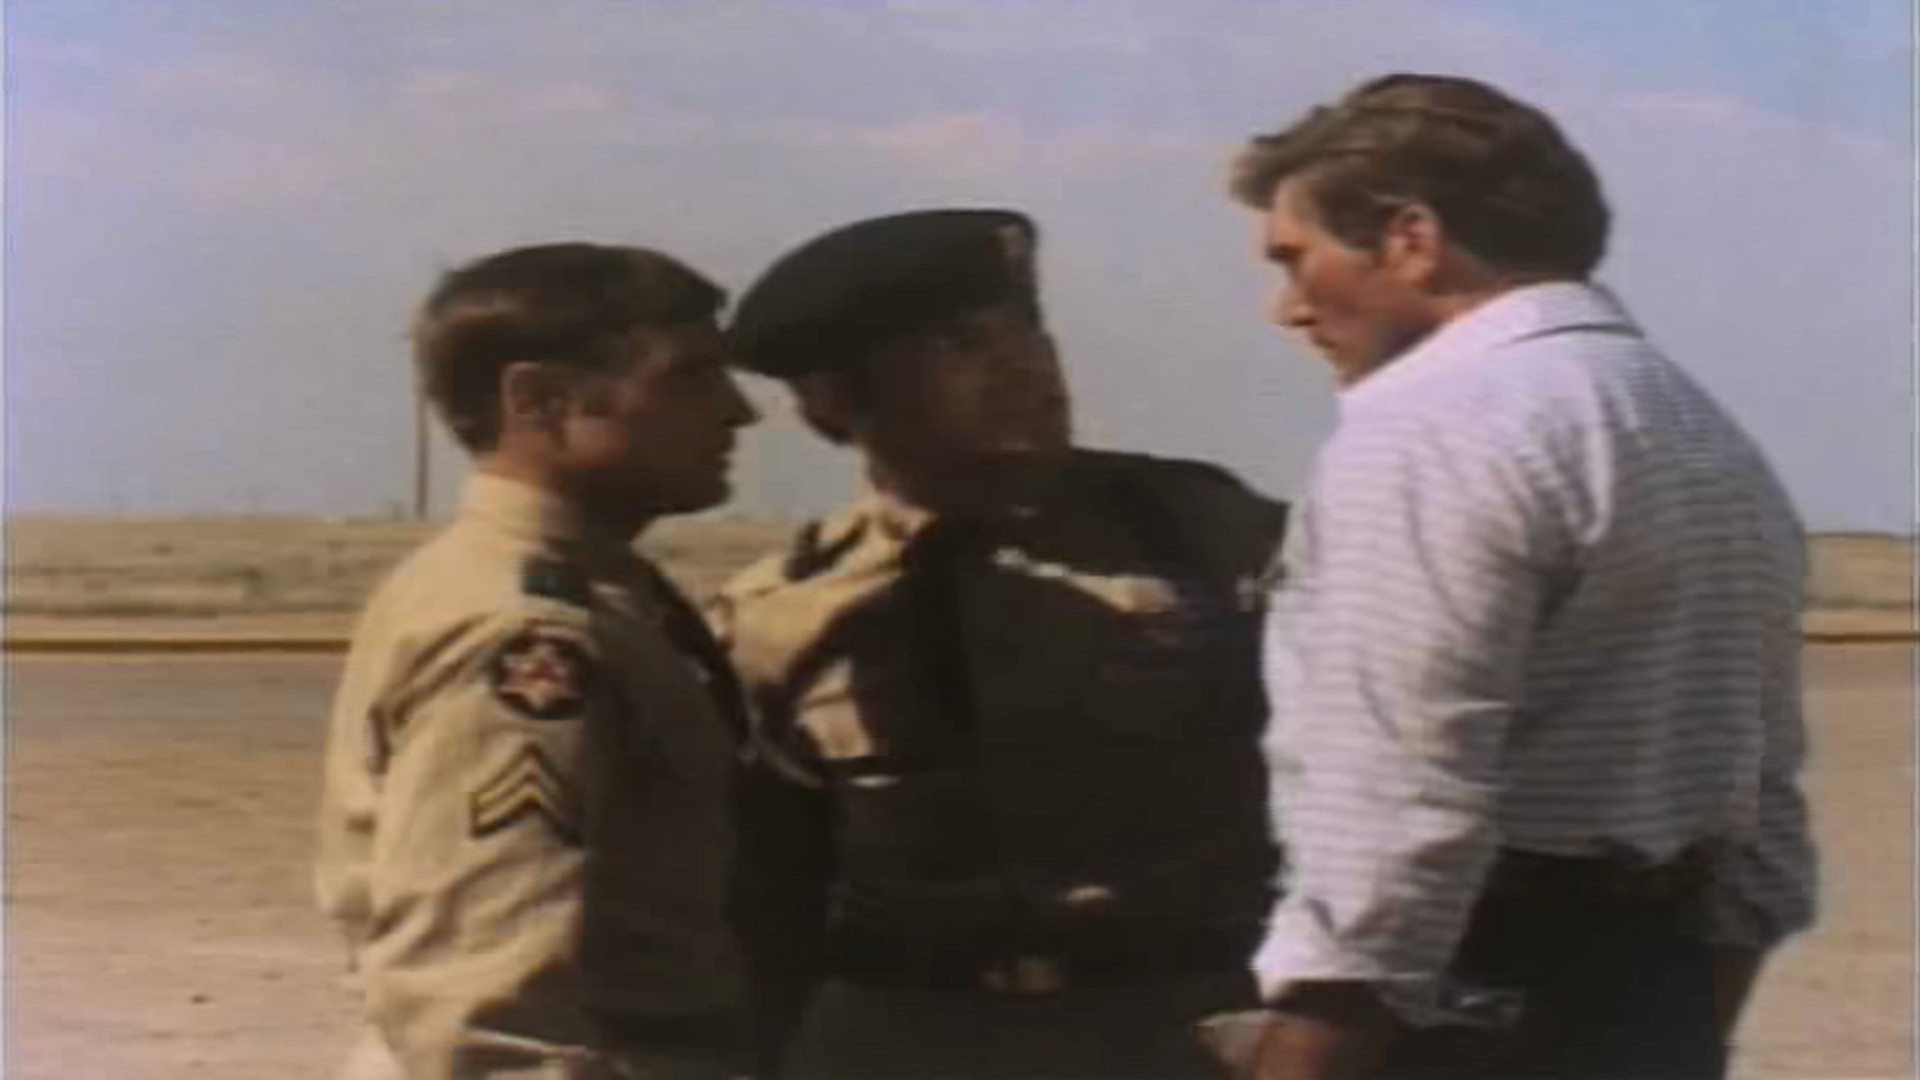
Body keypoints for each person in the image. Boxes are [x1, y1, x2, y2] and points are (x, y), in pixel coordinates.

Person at [1214, 74, 1818, 1080]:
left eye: (1297, 257)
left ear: (1411, 239)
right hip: (1645, 997)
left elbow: (1393, 806)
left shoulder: (1433, 431)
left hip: (1453, 1006)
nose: (1288, 308)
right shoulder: (1697, 430)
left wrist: (1310, 1051)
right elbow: (1758, 810)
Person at [711, 208, 1290, 1080]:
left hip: (1186, 1027)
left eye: (1032, 332)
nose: (1027, 368)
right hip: (902, 1040)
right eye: (964, 344)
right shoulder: (777, 614)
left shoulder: (1209, 537)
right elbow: (763, 892)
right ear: (833, 396)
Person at [315, 242, 760, 1080]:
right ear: (543, 401)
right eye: (691, 378)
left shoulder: (581, 587)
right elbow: (480, 1012)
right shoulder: (526, 628)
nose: (740, 412)